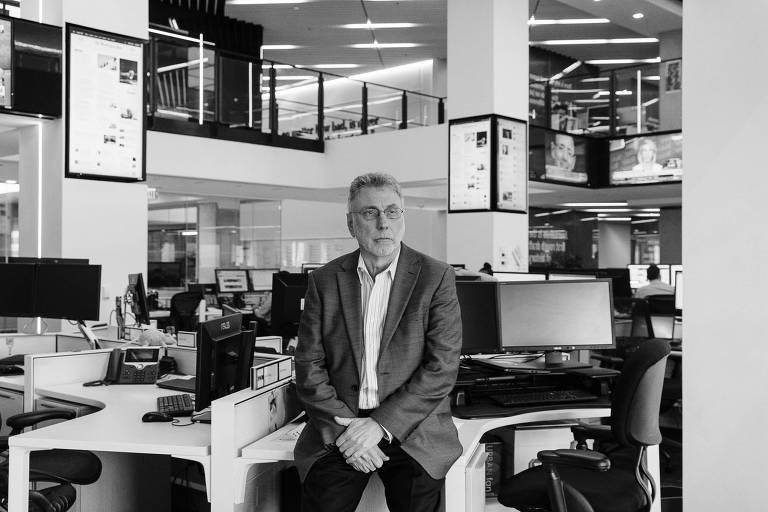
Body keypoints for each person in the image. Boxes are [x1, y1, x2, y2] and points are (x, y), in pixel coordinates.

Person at [294, 172, 463, 512]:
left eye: (392, 211)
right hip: (341, 424)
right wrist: (351, 432)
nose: (383, 223)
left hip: (414, 428)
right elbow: (309, 365)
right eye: (369, 213)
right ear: (351, 223)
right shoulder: (325, 280)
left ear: (403, 217)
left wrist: (380, 426)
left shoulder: (435, 276)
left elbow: (441, 367)